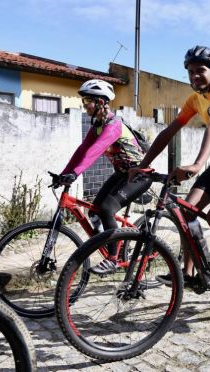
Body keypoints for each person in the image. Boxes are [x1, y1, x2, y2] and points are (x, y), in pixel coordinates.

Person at [128, 46, 210, 293]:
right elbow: (168, 132)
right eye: (190, 72)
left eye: (200, 70)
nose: (194, 76)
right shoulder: (194, 100)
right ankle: (188, 273)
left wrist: (198, 165)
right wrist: (142, 166)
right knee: (186, 214)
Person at [57, 79, 150, 275]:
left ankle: (113, 258)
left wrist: (75, 173)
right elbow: (82, 150)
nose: (84, 105)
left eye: (87, 101)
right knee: (95, 210)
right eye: (84, 101)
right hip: (122, 174)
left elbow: (96, 151)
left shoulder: (113, 125)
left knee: (108, 208)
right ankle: (109, 241)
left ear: (101, 102)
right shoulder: (98, 126)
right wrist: (65, 172)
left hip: (139, 175)